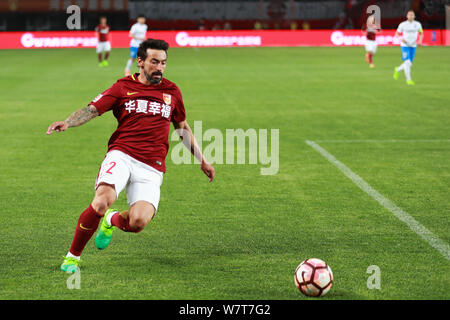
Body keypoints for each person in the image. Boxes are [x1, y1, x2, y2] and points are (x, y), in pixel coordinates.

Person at [46, 39, 216, 273]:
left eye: (164, 63)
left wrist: (202, 159)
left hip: (152, 166)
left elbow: (182, 127)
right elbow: (92, 109)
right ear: (140, 62)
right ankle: (72, 257)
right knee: (101, 201)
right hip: (122, 154)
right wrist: (67, 122)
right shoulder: (122, 87)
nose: (160, 67)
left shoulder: (172, 91)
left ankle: (111, 220)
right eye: (154, 62)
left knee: (137, 223)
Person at [393, 10, 423, 85]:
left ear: (414, 16)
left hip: (413, 45)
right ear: (407, 16)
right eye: (409, 15)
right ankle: (408, 80)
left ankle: (397, 69)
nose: (411, 16)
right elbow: (397, 34)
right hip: (405, 45)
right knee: (407, 62)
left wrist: (419, 41)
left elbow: (421, 33)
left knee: (409, 63)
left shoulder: (418, 24)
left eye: (412, 15)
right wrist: (401, 39)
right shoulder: (403, 24)